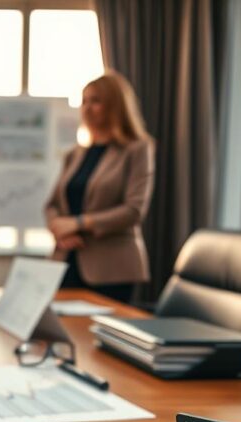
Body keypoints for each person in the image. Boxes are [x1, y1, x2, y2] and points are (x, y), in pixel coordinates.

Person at [44, 73, 155, 303]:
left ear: (115, 106)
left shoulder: (137, 149)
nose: (87, 108)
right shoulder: (75, 154)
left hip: (112, 268)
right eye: (84, 101)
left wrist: (78, 223)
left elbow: (133, 210)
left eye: (95, 101)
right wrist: (60, 230)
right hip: (67, 259)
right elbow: (53, 204)